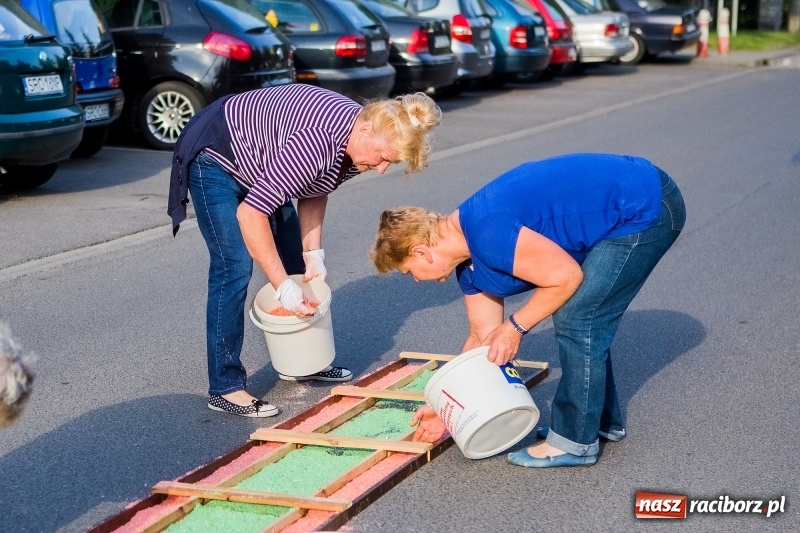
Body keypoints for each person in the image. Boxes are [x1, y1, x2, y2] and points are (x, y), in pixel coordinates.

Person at [371, 153, 685, 467]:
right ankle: (600, 422)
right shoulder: (468, 268)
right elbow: (482, 337)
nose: (415, 280)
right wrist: (448, 408)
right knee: (580, 314)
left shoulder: (488, 233)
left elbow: (566, 277)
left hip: (645, 204)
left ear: (421, 252)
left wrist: (515, 327)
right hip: (622, 208)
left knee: (578, 318)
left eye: (408, 271)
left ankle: (575, 442)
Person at [168, 84, 441, 418]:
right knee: (234, 264)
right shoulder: (318, 141)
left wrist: (313, 252)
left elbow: (315, 186)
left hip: (262, 159)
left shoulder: (359, 144)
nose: (381, 168)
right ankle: (226, 387)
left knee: (295, 262)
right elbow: (251, 214)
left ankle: (304, 362)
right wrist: (282, 286)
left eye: (390, 163)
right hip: (216, 155)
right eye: (383, 158)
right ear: (367, 128)